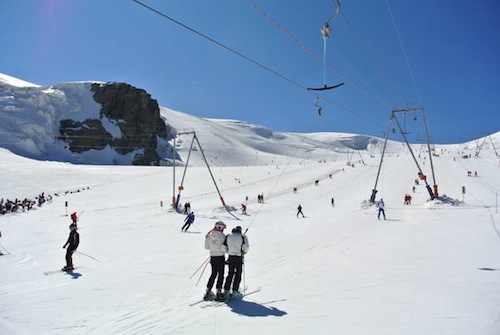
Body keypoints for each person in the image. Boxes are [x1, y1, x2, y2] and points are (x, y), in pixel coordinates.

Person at [223, 226, 249, 300]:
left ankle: (226, 290)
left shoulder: (228, 236)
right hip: (238, 257)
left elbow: (224, 246)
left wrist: (228, 252)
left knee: (230, 274)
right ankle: (235, 291)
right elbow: (246, 247)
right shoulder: (243, 236)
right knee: (238, 274)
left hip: (231, 257)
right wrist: (243, 252)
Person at [204, 221, 227, 301]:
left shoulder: (209, 235)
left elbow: (206, 247)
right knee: (221, 274)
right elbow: (225, 248)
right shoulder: (223, 236)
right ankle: (219, 291)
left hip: (213, 256)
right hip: (220, 257)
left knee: (213, 274)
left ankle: (208, 291)